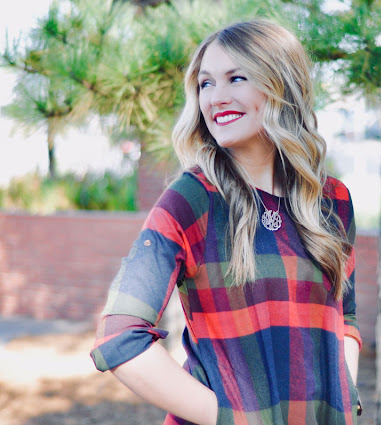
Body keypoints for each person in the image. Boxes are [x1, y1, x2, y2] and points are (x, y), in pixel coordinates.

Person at [90, 19, 362, 425]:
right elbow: (119, 336)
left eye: (236, 78)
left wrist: (345, 402)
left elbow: (346, 318)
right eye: (205, 84)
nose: (216, 98)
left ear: (281, 85)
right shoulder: (191, 200)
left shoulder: (331, 202)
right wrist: (229, 417)